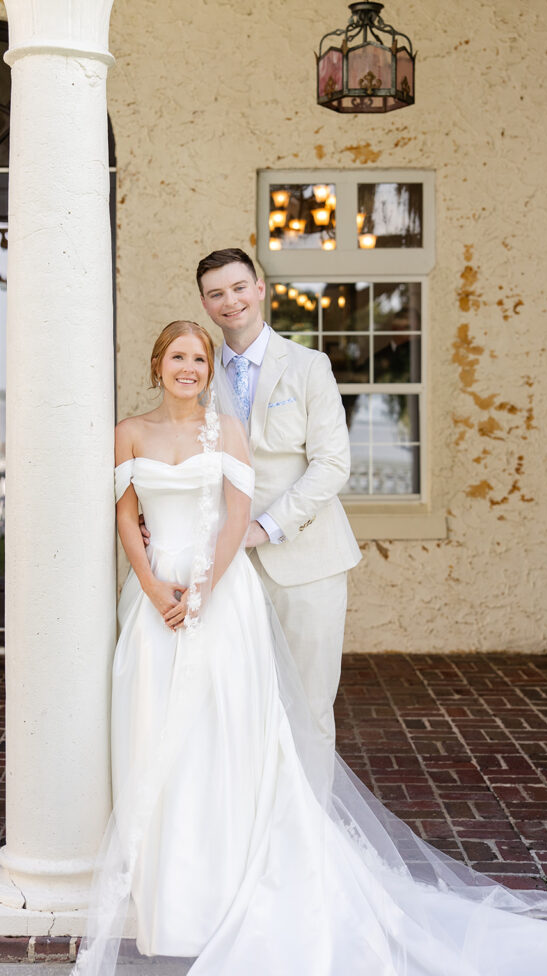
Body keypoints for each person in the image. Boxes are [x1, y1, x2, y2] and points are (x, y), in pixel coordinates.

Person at [75, 320, 547, 976]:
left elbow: (237, 520)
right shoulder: (128, 433)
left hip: (219, 600)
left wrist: (200, 592)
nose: (188, 367)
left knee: (224, 734)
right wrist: (152, 584)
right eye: (177, 356)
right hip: (152, 598)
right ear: (157, 362)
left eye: (199, 358)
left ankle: (219, 894)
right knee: (152, 729)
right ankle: (164, 901)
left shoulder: (229, 433)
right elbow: (124, 515)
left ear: (208, 368)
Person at [197, 247, 361, 748]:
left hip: (306, 562)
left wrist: (264, 526)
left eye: (239, 287)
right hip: (227, 567)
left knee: (308, 707)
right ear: (205, 303)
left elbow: (332, 464)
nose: (231, 302)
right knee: (235, 705)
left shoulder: (310, 366)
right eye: (216, 293)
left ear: (260, 287)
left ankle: (307, 823)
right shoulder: (196, 376)